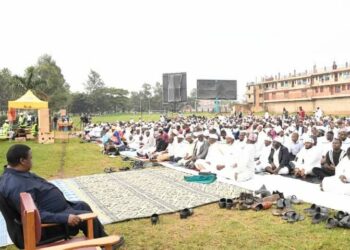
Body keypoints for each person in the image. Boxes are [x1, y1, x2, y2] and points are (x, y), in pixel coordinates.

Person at [0, 144, 123, 248]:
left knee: (82, 205)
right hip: (41, 230)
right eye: (30, 158)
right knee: (85, 218)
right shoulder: (16, 186)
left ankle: (99, 237)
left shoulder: (16, 174)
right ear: (22, 161)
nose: (32, 161)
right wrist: (65, 218)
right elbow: (34, 216)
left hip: (53, 211)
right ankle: (105, 244)